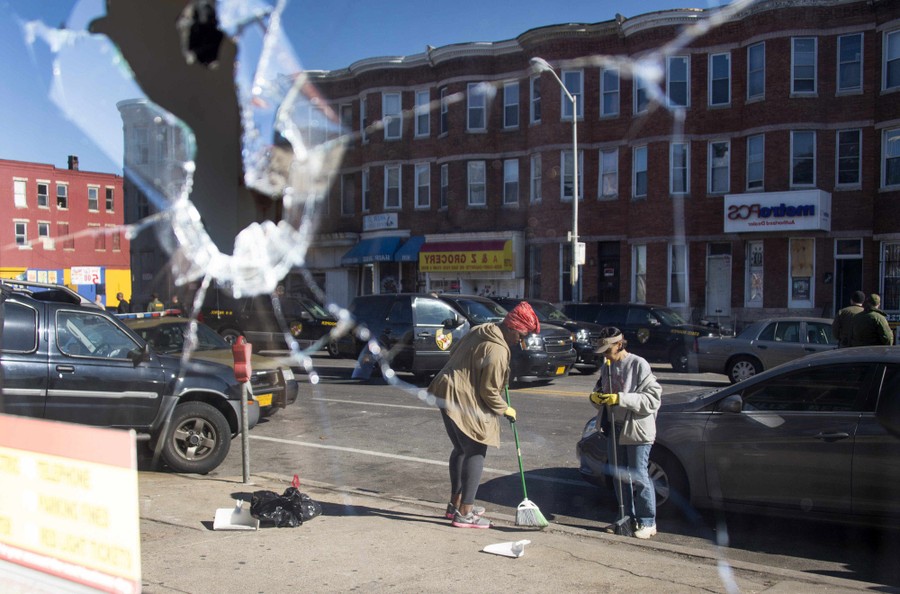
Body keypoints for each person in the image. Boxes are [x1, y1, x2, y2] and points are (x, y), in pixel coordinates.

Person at [428, 301, 540, 529]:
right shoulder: (498, 350)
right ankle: (465, 513)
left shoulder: (480, 330)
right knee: (476, 449)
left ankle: (455, 505)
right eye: (520, 336)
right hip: (461, 397)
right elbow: (488, 391)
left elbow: (454, 352)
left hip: (445, 389)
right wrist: (505, 408)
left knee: (461, 449)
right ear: (510, 328)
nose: (522, 343)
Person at [589, 326, 662, 539]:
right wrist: (595, 398)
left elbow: (653, 399)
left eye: (607, 350)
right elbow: (600, 392)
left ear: (620, 344)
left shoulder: (638, 364)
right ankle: (626, 518)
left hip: (637, 429)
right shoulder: (606, 367)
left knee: (639, 475)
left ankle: (648, 521)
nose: (605, 355)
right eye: (602, 351)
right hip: (615, 427)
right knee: (619, 476)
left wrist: (621, 398)